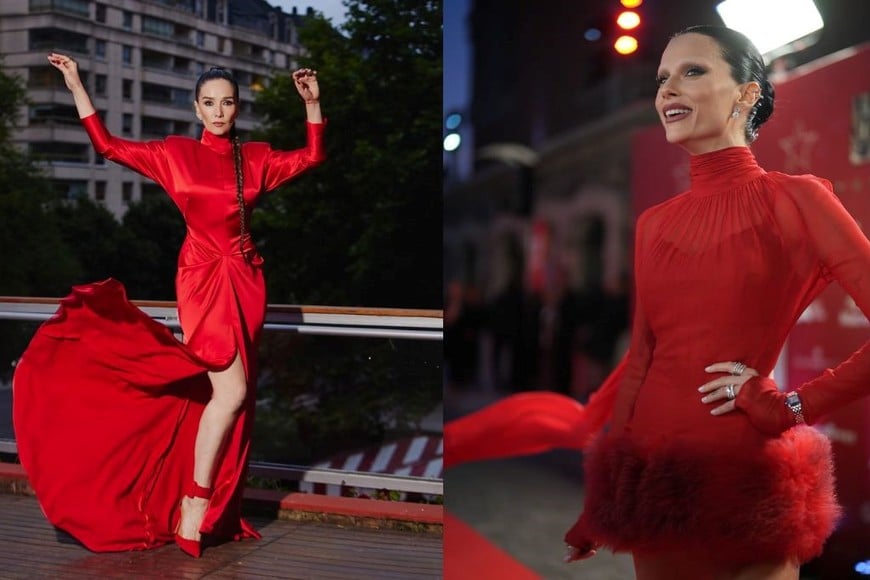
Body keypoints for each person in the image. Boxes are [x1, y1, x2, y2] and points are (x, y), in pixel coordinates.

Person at [445, 25, 870, 580]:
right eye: (662, 77)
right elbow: (641, 360)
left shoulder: (798, 199)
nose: (668, 88)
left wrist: (792, 407)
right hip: (653, 480)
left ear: (746, 93)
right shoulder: (654, 224)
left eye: (693, 71)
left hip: (744, 471)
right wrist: (605, 501)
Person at [12, 53, 325, 557]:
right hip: (200, 278)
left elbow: (311, 157)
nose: (218, 111)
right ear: (196, 109)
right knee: (231, 392)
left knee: (227, 395)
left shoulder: (255, 158)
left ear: (237, 108)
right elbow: (107, 146)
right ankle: (193, 504)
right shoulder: (174, 153)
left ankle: (199, 500)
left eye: (227, 103)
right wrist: (75, 84)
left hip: (245, 280)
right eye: (209, 103)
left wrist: (312, 105)